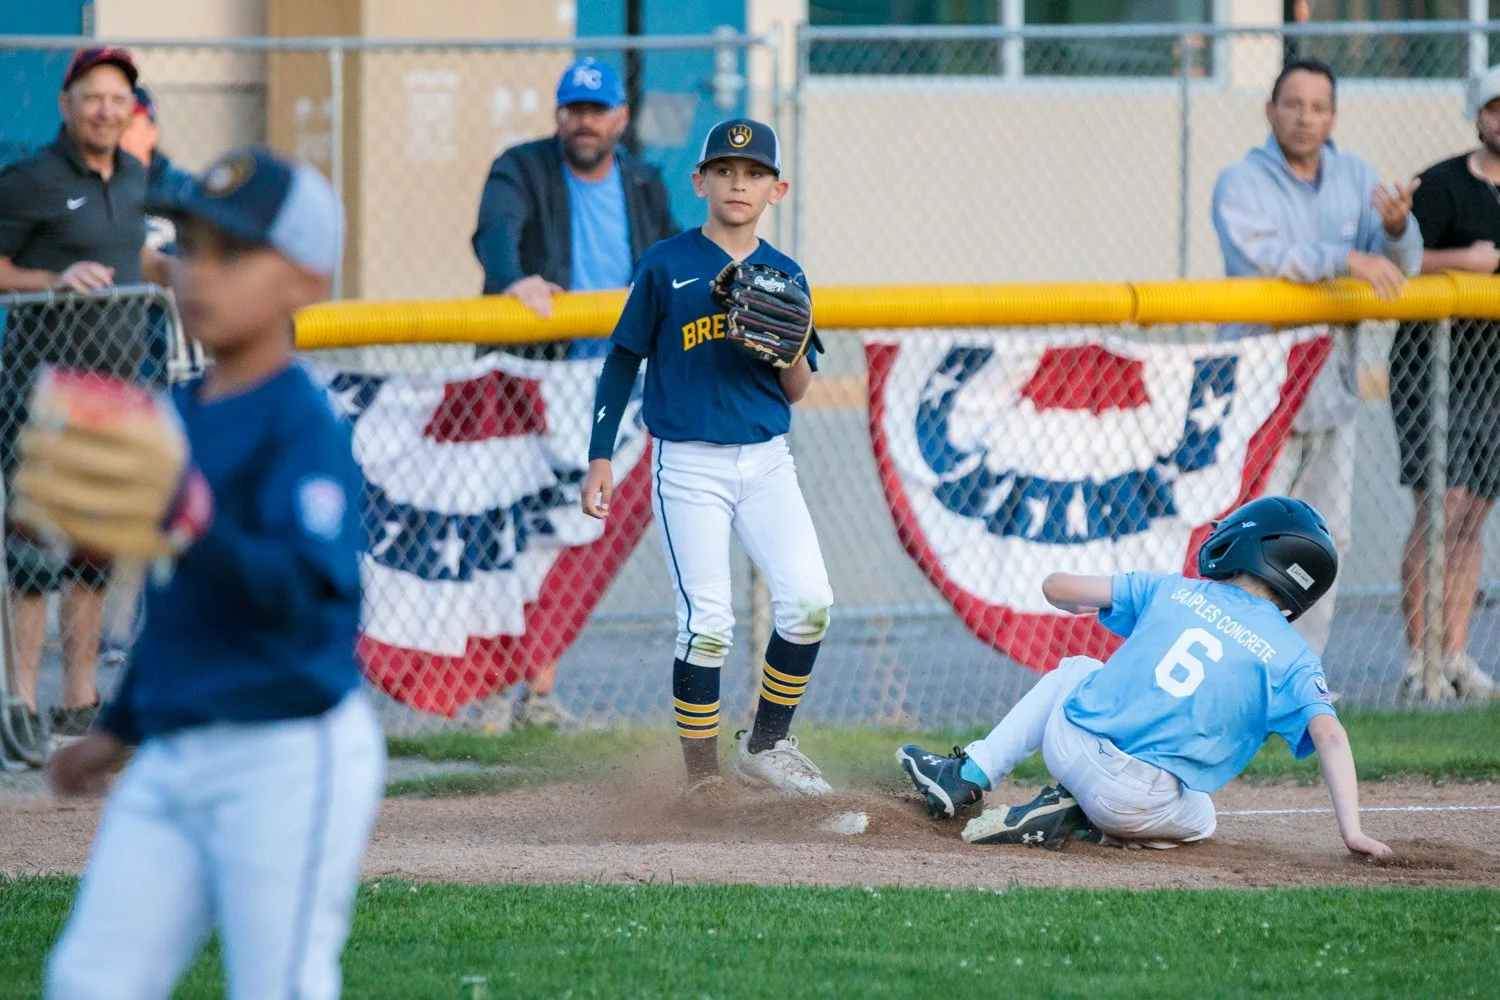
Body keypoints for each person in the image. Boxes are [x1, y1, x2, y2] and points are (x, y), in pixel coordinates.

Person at [43, 146, 384, 998]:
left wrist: (191, 521)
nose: (202, 272)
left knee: (280, 984)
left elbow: (308, 599)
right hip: (172, 753)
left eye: (234, 252)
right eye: (191, 245)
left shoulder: (301, 424)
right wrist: (114, 734)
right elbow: (176, 607)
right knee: (91, 979)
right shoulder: (176, 413)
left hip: (287, 747)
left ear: (304, 281)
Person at [897, 496, 1391, 859]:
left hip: (1069, 744)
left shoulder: (1173, 590)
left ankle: (968, 775)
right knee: (1202, 817)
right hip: (1133, 802)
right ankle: (1085, 824)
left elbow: (1056, 586)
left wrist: (1073, 599)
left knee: (1078, 669)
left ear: (1245, 542)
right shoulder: (1294, 657)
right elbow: (1329, 734)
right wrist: (1352, 833)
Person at [581, 119, 834, 801]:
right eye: (725, 171)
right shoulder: (666, 263)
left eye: (753, 174)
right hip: (688, 463)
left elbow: (798, 386)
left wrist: (788, 339)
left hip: (767, 460)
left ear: (777, 188)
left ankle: (768, 746)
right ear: (700, 182)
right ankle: (702, 781)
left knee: (809, 602)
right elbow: (622, 360)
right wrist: (600, 456)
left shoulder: (787, 274)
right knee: (709, 621)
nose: (738, 183)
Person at [471, 58, 679, 727]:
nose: (584, 122)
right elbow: (495, 230)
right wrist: (512, 279)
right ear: (559, 115)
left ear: (619, 118)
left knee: (579, 540)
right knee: (521, 535)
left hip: (617, 393)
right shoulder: (523, 166)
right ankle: (497, 689)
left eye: (597, 111)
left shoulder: (642, 180)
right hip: (531, 388)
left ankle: (535, 691)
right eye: (573, 110)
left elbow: (675, 254)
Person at [1211, 58, 1422, 657]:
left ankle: (1297, 675)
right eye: (1293, 104)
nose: (1306, 118)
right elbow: (1264, 256)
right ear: (1270, 109)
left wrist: (1398, 228)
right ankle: (1232, 667)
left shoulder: (1356, 175)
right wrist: (1346, 258)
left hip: (1333, 390)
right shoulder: (1240, 181)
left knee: (1327, 541)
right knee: (1248, 538)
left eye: (1319, 107)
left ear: (1334, 117)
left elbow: (1399, 265)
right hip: (1258, 393)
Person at [0, 47, 170, 759]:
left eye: (117, 98)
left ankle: (78, 702)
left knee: (93, 561)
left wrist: (176, 272)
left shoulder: (138, 179)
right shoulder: (30, 179)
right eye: (92, 96)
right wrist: (52, 277)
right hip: (40, 395)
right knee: (35, 560)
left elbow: (138, 256)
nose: (105, 109)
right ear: (67, 104)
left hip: (116, 397)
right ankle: (20, 708)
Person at [1390, 66, 1500, 704]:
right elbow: (1403, 260)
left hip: (1492, 375)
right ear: (1476, 114)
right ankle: (1418, 660)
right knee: (1441, 508)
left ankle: (1454, 655)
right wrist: (1466, 262)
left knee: (1474, 518)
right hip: (1432, 371)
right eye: (1494, 108)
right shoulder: (1441, 184)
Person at [119, 84, 195, 256]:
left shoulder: (184, 190)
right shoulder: (85, 189)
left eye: (129, 126)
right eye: (115, 126)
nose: (121, 136)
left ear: (152, 133)